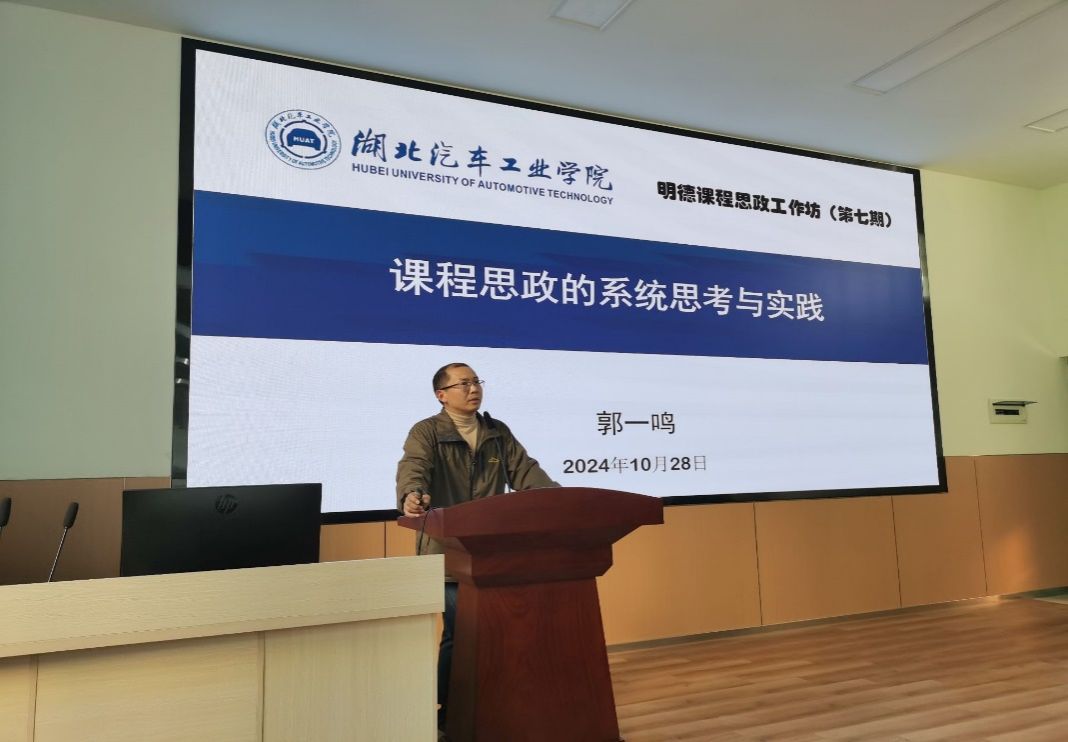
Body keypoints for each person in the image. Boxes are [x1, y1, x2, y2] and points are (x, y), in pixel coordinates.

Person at [397, 362, 557, 732]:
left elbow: (527, 473)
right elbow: (413, 468)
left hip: (490, 554)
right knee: (461, 632)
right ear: (441, 394)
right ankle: (448, 713)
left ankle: (492, 706)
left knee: (497, 631)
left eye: (476, 382)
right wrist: (412, 494)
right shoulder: (427, 431)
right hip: (446, 552)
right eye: (463, 383)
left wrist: (557, 499)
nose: (473, 389)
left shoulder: (496, 432)